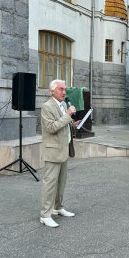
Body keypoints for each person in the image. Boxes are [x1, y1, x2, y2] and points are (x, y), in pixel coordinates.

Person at [40, 79, 81, 228]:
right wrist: (68, 116)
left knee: (61, 182)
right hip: (53, 151)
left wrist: (73, 125)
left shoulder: (63, 105)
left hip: (64, 149)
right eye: (61, 89)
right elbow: (51, 127)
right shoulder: (47, 107)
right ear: (52, 92)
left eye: (65, 89)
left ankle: (58, 207)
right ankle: (45, 215)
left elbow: (63, 124)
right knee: (50, 183)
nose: (64, 92)